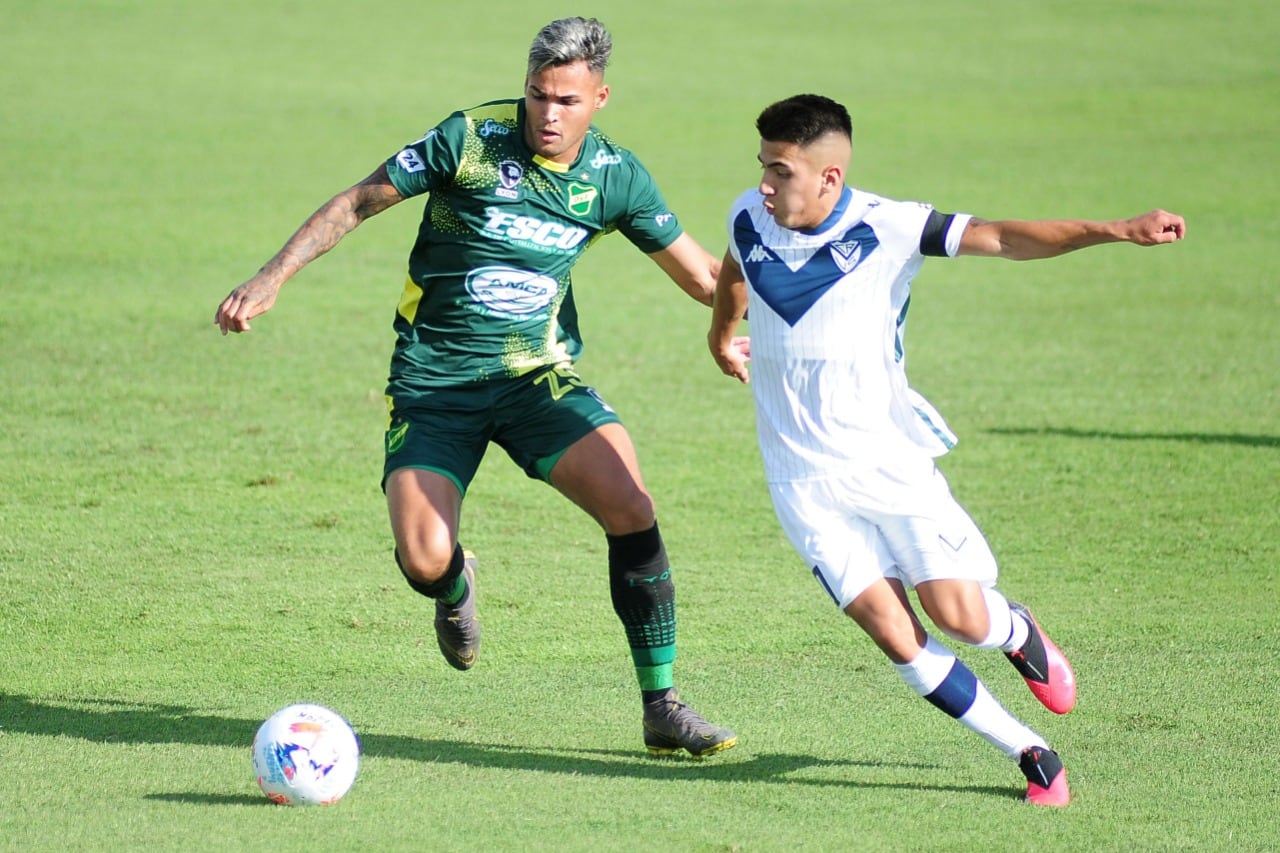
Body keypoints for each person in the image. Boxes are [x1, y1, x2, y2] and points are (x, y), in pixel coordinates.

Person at [216, 17, 736, 758]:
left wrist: (767, 318)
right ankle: (456, 585)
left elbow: (704, 277)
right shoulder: (470, 139)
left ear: (600, 98)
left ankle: (664, 704)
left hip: (537, 380)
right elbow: (359, 201)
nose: (547, 115)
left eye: (565, 100)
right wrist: (270, 278)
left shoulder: (617, 176)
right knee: (425, 558)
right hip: (435, 384)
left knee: (632, 505)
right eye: (536, 96)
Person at [708, 94, 1185, 804]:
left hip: (888, 460)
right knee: (897, 635)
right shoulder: (751, 212)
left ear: (830, 177)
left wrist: (1117, 229)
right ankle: (1031, 751)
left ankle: (1016, 630)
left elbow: (1004, 238)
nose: (766, 185)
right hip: (800, 479)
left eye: (781, 172)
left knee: (958, 616)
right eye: (764, 169)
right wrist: (720, 333)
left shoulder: (888, 225)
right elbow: (735, 266)